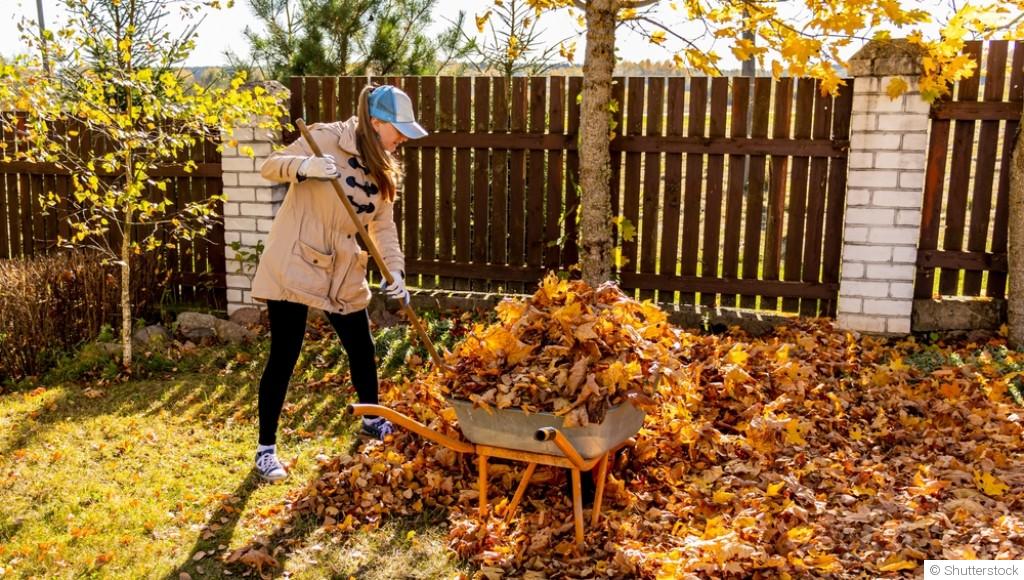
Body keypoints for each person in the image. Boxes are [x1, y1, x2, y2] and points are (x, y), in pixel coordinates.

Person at [248, 84, 428, 482]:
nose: (402, 139)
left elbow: (383, 225)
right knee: (285, 354)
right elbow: (270, 165)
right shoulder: (325, 138)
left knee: (361, 348)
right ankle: (266, 451)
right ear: (376, 122)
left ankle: (371, 420)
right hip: (295, 259)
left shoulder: (383, 163)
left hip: (344, 268)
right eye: (398, 130)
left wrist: (395, 272)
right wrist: (306, 167)